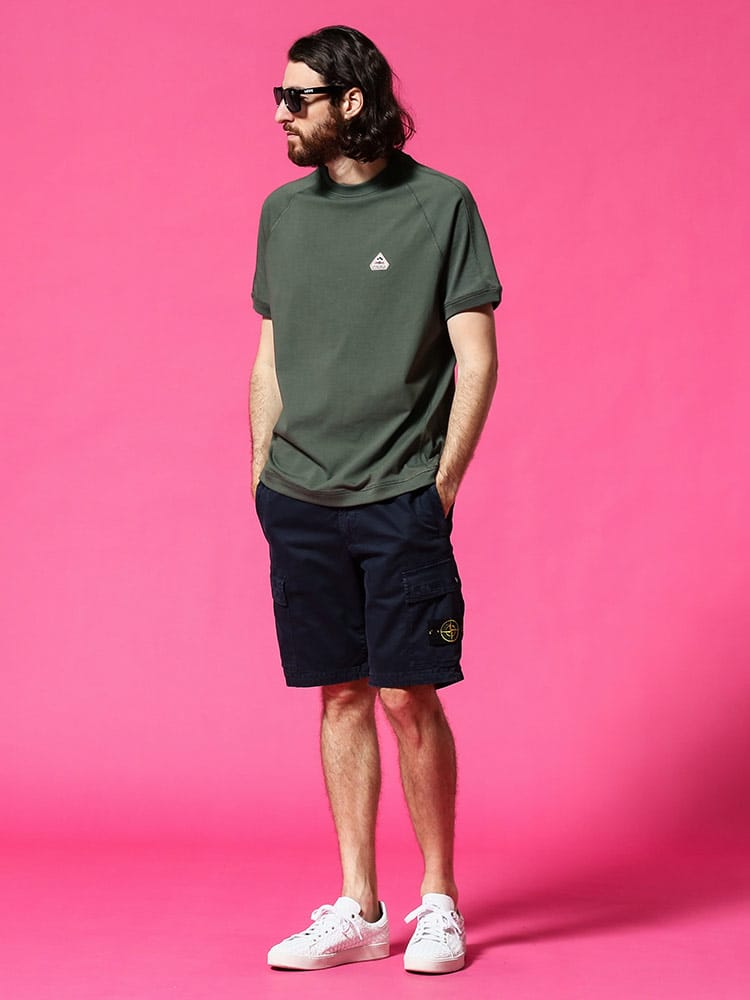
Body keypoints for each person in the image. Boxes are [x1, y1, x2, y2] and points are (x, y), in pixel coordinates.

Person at [250, 25, 501, 975]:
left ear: (351, 101)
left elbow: (476, 356)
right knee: (340, 693)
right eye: (278, 98)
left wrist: (441, 485)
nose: (281, 114)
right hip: (300, 497)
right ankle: (359, 907)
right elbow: (271, 354)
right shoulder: (282, 212)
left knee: (407, 692)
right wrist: (261, 469)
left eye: (296, 98)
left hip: (400, 495)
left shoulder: (441, 205)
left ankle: (438, 902)